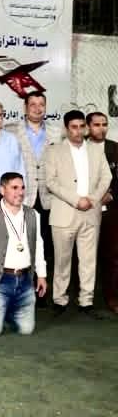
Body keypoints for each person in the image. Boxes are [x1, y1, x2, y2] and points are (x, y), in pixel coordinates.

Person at [44, 110, 111, 318]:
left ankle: (86, 301)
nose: (79, 131)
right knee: (62, 261)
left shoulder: (96, 150)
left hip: (91, 212)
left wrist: (92, 199)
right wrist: (76, 200)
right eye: (74, 127)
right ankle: (59, 300)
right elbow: (51, 182)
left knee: (88, 260)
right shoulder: (53, 151)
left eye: (82, 126)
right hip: (64, 213)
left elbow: (106, 177)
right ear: (66, 129)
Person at [0, 172, 47, 336]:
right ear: (2, 190)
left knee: (26, 330)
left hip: (25, 281)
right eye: (14, 188)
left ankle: (6, 311)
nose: (20, 192)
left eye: (22, 188)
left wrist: (41, 275)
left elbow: (38, 245)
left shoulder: (33, 214)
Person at [5, 91, 55, 306]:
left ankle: (41, 291)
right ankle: (18, 293)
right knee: (19, 245)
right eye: (32, 104)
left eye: (41, 104)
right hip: (21, 197)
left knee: (45, 247)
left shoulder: (56, 132)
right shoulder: (10, 131)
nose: (37, 108)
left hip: (48, 197)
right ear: (25, 108)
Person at [86, 111, 118, 314]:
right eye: (96, 125)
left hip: (111, 210)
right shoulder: (79, 147)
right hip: (84, 208)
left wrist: (112, 194)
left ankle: (112, 297)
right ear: (88, 127)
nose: (101, 128)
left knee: (112, 254)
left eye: (104, 124)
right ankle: (83, 298)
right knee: (84, 255)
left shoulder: (115, 148)